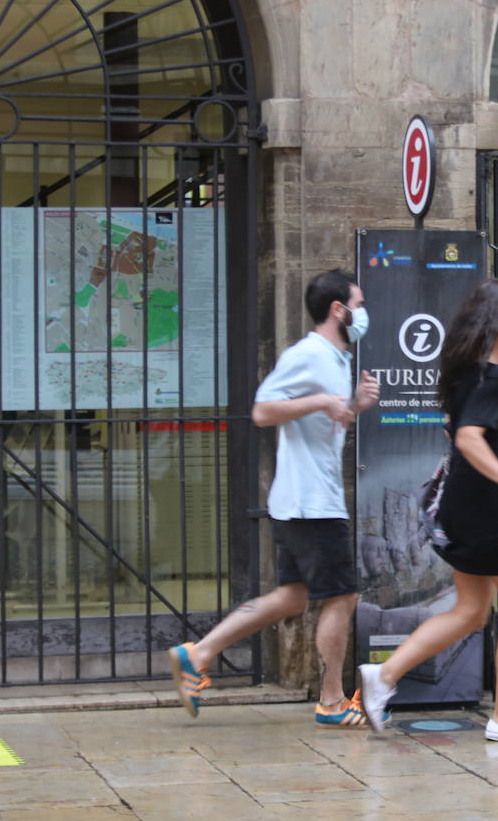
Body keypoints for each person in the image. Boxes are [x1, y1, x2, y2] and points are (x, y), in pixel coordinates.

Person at [169, 269, 380, 726]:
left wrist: (353, 406)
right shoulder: (308, 354)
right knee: (341, 597)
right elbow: (263, 410)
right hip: (311, 503)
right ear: (338, 310)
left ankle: (198, 653)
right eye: (359, 305)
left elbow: (327, 418)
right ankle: (331, 700)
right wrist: (322, 402)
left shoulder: (336, 357)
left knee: (290, 599)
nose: (364, 314)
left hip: (303, 498)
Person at [358, 278, 498, 742]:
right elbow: (468, 437)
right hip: (491, 512)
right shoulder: (487, 378)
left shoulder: (468, 373)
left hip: (465, 510)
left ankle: (383, 676)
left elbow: (466, 430)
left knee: (471, 610)